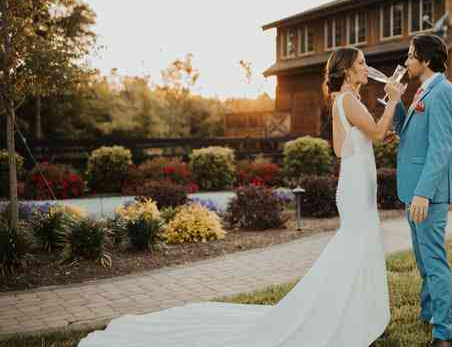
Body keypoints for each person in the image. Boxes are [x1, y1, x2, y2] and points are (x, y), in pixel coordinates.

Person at [78, 46, 404, 347]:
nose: (367, 67)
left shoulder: (343, 100)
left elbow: (345, 145)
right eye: (361, 63)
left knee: (358, 245)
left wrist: (373, 135)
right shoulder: (348, 100)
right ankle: (343, 315)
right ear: (347, 70)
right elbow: (373, 133)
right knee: (355, 245)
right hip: (356, 184)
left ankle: (354, 313)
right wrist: (391, 100)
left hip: (356, 181)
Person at [393, 34, 452, 347]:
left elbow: (440, 148)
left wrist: (423, 193)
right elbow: (408, 133)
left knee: (434, 261)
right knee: (422, 259)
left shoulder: (443, 91)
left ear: (427, 60)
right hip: (413, 190)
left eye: (410, 55)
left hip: (427, 193)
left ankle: (442, 333)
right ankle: (428, 312)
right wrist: (394, 102)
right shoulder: (423, 89)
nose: (406, 61)